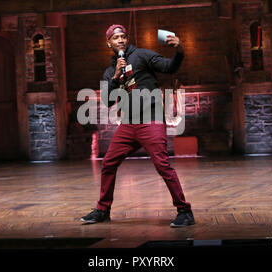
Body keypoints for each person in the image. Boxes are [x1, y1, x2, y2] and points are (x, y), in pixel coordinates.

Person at [80, 24, 194, 227]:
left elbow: (169, 67)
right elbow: (107, 101)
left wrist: (180, 50)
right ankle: (103, 210)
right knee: (108, 163)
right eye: (116, 38)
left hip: (151, 118)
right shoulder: (109, 72)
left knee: (162, 164)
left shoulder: (142, 55)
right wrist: (115, 77)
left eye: (123, 36)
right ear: (109, 43)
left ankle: (185, 211)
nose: (120, 40)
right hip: (129, 124)